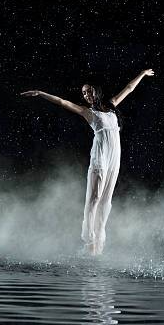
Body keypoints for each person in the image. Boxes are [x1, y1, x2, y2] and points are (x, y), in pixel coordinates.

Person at [21, 69, 155, 255]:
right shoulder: (87, 112)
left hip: (115, 156)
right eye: (84, 93)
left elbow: (129, 88)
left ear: (96, 91)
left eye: (89, 91)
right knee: (94, 198)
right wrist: (41, 93)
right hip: (100, 155)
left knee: (106, 200)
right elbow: (63, 102)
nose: (87, 95)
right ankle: (89, 239)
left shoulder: (111, 105)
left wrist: (142, 73)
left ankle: (99, 242)